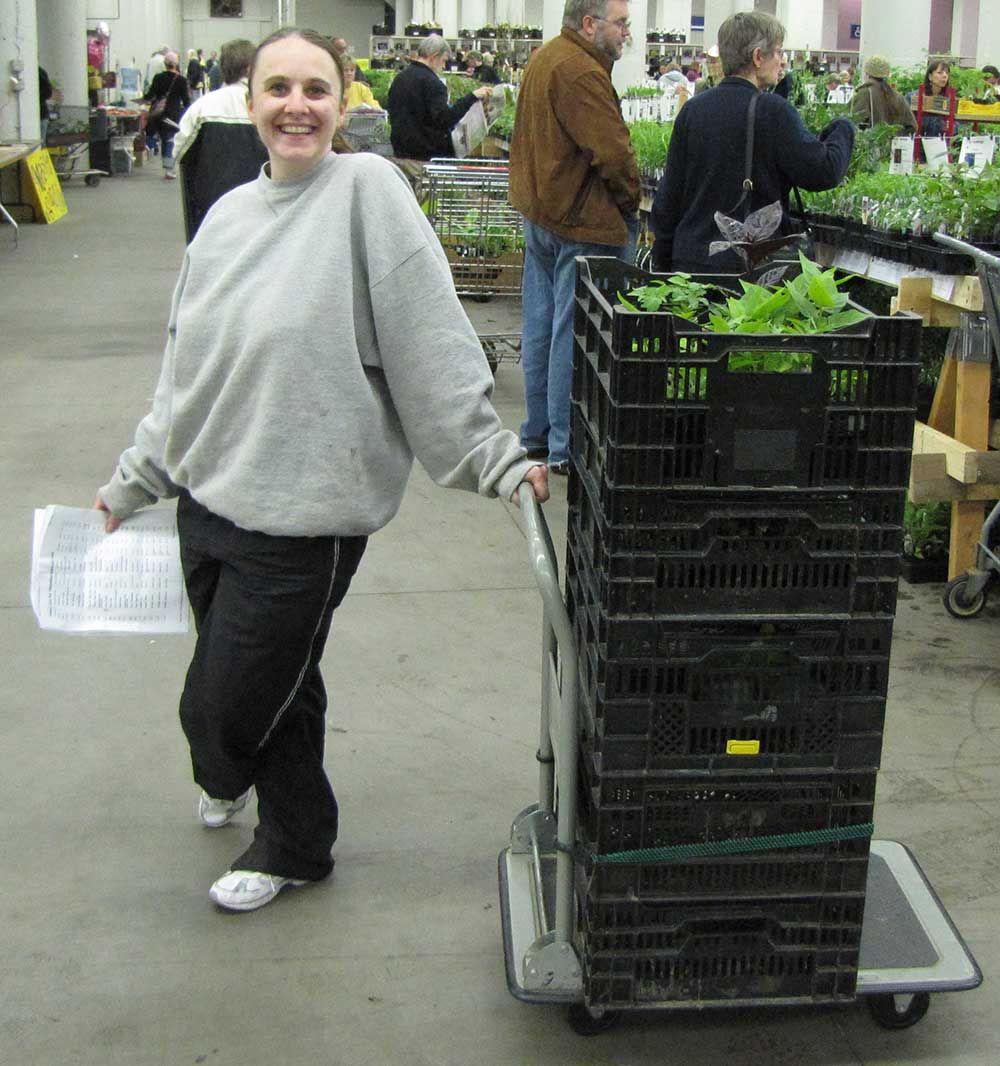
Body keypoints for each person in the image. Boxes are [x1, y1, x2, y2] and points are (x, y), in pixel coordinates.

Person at [93, 27, 548, 915]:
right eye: (277, 89)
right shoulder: (227, 216)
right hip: (208, 500)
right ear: (249, 102)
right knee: (281, 687)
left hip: (306, 517)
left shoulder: (367, 193)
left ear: (344, 103)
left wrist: (492, 455)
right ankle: (296, 839)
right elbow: (186, 371)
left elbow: (428, 339)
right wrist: (134, 478)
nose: (295, 106)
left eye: (315, 89)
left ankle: (240, 778)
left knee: (220, 710)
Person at [508, 0, 640, 474]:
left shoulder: (546, 58)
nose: (627, 31)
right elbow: (613, 154)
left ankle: (539, 436)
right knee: (576, 334)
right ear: (589, 24)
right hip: (582, 222)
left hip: (543, 215)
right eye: (620, 22)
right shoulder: (582, 72)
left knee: (542, 327)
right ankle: (567, 447)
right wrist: (631, 203)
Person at [651, 11, 853, 275]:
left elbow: (669, 196)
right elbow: (822, 171)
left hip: (692, 263)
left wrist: (664, 261)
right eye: (779, 52)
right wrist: (843, 129)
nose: (782, 62)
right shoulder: (772, 111)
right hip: (751, 272)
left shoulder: (693, 110)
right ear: (758, 57)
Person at [174, 38, 267, 240]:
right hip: (261, 206)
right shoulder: (267, 106)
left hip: (210, 205)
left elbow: (179, 151)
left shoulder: (203, 107)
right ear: (252, 68)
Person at [386, 35, 492, 160]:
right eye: (444, 60)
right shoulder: (433, 83)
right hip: (427, 156)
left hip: (401, 153)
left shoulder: (400, 78)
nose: (444, 66)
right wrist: (472, 97)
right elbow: (445, 119)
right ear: (434, 56)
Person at [141, 52, 191, 179]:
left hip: (157, 114)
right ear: (176, 64)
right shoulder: (181, 80)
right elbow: (186, 101)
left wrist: (141, 100)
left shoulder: (158, 77)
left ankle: (153, 150)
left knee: (163, 139)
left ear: (165, 64)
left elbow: (150, 95)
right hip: (172, 114)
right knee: (169, 141)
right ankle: (169, 169)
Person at [851, 55, 916, 131]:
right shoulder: (898, 96)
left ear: (867, 74)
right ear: (887, 74)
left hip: (871, 142)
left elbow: (852, 123)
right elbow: (912, 126)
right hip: (896, 142)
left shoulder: (864, 94)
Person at [915, 59, 957, 142]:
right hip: (918, 145)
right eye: (940, 73)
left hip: (942, 146)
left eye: (947, 73)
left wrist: (951, 126)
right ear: (930, 76)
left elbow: (957, 124)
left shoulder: (950, 99)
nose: (944, 76)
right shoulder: (914, 97)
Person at [38, 67, 53, 145]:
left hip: (41, 113)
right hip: (42, 112)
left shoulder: (39, 72)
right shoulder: (40, 71)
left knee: (40, 143)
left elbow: (48, 92)